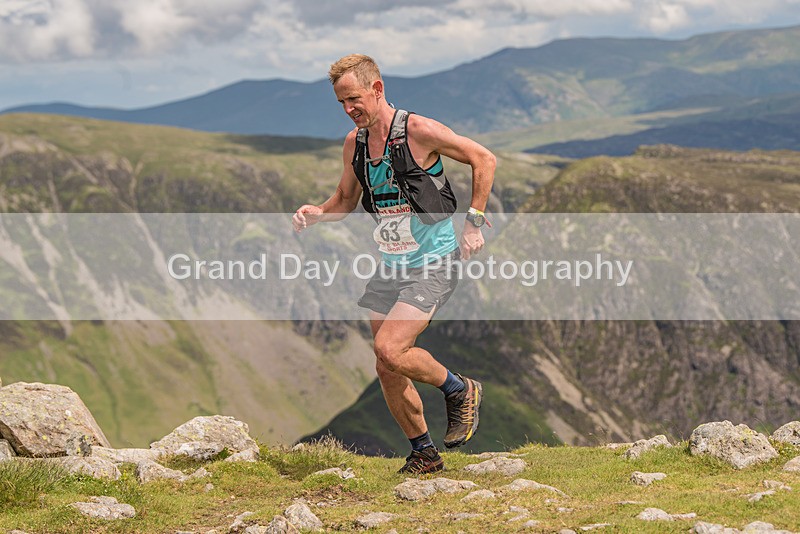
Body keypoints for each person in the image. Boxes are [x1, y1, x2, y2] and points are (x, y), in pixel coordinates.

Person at [292, 54, 496, 474]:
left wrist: (473, 223)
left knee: (391, 347)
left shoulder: (418, 130)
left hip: (436, 262)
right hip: (392, 265)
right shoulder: (355, 144)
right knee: (385, 366)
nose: (349, 109)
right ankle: (423, 451)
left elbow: (484, 159)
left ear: (377, 89)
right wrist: (317, 213)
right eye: (341, 103)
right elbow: (345, 200)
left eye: (354, 99)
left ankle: (459, 389)